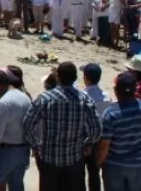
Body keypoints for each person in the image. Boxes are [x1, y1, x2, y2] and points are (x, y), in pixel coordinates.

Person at [23, 61, 102, 191]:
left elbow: (27, 124)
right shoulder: (85, 100)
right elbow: (96, 129)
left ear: (58, 77)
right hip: (74, 161)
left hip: (49, 159)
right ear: (75, 78)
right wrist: (87, 144)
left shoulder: (45, 98)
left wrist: (35, 146)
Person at [96, 72, 141, 191]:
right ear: (135, 90)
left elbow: (104, 146)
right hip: (138, 165)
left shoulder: (110, 113)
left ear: (116, 90)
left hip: (114, 166)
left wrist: (98, 163)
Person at [0, 67, 33, 191]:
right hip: (23, 150)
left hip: (6, 151)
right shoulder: (25, 97)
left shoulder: (4, 102)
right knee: (17, 186)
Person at [80, 63, 111, 191]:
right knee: (94, 173)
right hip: (100, 139)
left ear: (86, 78)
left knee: (80, 173)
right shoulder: (106, 96)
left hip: (83, 139)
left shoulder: (81, 96)